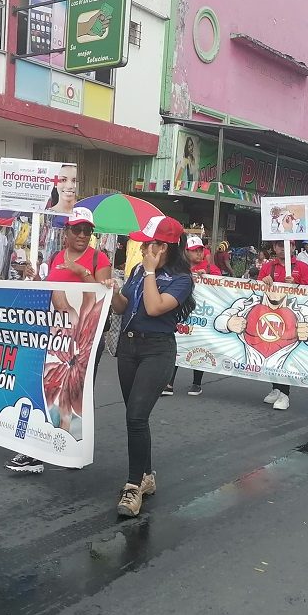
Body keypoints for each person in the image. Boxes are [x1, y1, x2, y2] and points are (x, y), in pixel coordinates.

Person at [6, 207, 112, 474]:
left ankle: (70, 447)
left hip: (84, 339)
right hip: (56, 337)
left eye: (87, 230)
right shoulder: (55, 257)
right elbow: (52, 290)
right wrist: (36, 279)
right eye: (77, 229)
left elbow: (101, 295)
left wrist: (81, 272)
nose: (82, 235)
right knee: (46, 389)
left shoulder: (99, 259)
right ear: (66, 232)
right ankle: (41, 450)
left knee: (76, 394)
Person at [103, 216, 194, 518]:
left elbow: (155, 308)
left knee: (136, 415)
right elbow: (123, 306)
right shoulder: (138, 270)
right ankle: (147, 475)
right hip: (129, 347)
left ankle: (133, 486)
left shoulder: (181, 279)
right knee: (135, 418)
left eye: (150, 243)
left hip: (158, 349)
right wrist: (112, 290)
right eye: (143, 243)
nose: (143, 248)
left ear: (165, 247)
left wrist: (152, 272)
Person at [258, 240, 308, 410]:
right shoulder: (267, 267)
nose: (283, 248)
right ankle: (275, 388)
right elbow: (256, 289)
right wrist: (264, 281)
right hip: (271, 317)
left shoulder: (302, 267)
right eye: (279, 245)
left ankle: (285, 394)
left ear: (294, 248)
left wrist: (295, 286)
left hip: (292, 318)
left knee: (286, 354)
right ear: (274, 248)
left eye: (287, 245)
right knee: (271, 351)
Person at [164, 236, 220, 397]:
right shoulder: (179, 268)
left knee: (200, 346)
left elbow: (222, 281)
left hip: (203, 314)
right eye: (194, 250)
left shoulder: (209, 267)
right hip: (183, 312)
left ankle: (197, 383)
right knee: (178, 344)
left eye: (200, 250)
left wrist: (208, 274)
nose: (198, 253)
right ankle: (169, 382)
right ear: (186, 252)